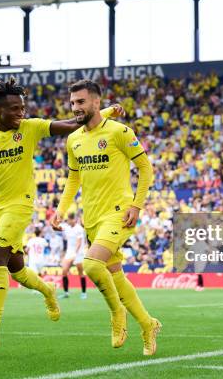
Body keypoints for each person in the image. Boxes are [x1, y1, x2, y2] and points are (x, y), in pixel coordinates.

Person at [0, 77, 124, 349]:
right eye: (14, 109)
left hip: (20, 205)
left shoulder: (30, 127)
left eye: (22, 108)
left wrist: (105, 112)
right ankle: (48, 290)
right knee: (16, 268)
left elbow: (72, 125)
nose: (21, 113)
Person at [50, 80, 161, 356]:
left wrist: (136, 205)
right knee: (116, 276)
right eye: (73, 102)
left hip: (118, 214)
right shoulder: (73, 139)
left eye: (81, 102)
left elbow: (145, 169)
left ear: (96, 102)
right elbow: (73, 179)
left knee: (90, 264)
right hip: (92, 219)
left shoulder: (119, 132)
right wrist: (61, 211)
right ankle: (148, 325)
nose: (75, 107)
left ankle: (117, 314)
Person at [59, 213, 87, 299]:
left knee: (80, 273)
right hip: (69, 252)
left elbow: (79, 242)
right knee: (64, 271)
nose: (70, 221)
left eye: (72, 219)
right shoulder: (66, 227)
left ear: (75, 219)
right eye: (69, 219)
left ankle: (83, 293)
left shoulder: (79, 229)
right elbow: (58, 227)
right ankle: (66, 293)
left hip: (79, 253)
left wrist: (75, 253)